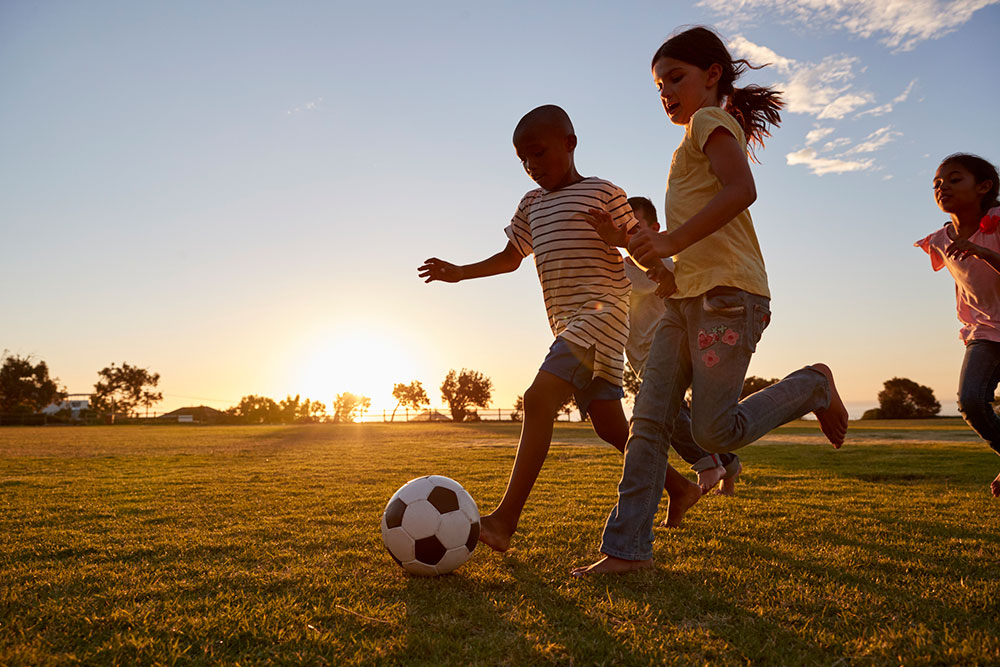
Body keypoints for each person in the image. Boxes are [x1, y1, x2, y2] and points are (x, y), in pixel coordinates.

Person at [573, 26, 848, 576]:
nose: (666, 92)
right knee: (649, 421)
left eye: (675, 77)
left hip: (730, 297)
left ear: (713, 75)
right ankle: (627, 551)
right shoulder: (687, 143)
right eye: (658, 86)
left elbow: (742, 190)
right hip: (686, 300)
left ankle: (814, 384)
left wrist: (670, 239)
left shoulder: (709, 122)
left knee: (712, 432)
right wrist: (626, 240)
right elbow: (675, 261)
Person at [418, 105, 704, 552]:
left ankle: (504, 522)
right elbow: (511, 257)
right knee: (611, 427)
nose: (531, 166)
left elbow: (638, 243)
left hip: (603, 315)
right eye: (523, 160)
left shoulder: (604, 193)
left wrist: (665, 276)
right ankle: (680, 487)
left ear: (570, 144)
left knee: (537, 399)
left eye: (538, 153)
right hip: (569, 324)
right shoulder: (530, 205)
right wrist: (460, 272)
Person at [623, 196, 742, 497]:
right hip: (639, 354)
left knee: (659, 412)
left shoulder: (665, 259)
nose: (631, 236)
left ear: (656, 229)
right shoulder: (619, 267)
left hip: (669, 348)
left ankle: (706, 463)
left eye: (637, 228)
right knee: (684, 415)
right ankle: (729, 463)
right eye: (625, 229)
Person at [915, 153, 1000, 497]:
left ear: (984, 187)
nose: (942, 187)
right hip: (984, 331)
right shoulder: (940, 239)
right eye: (937, 183)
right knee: (971, 400)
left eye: (954, 179)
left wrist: (983, 253)